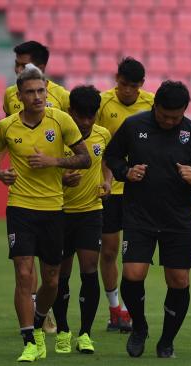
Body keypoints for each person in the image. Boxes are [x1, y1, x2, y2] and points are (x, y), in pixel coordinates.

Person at [0, 64, 91, 362]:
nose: (38, 96)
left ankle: (40, 318)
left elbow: (85, 159)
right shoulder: (7, 127)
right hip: (20, 208)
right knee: (24, 273)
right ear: (20, 96)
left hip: (54, 209)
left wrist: (54, 161)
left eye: (41, 90)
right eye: (30, 92)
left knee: (52, 280)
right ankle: (29, 338)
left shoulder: (62, 120)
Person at [104, 80, 191, 358]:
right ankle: (140, 328)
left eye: (176, 117)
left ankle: (167, 340)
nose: (170, 121)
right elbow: (112, 156)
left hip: (176, 220)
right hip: (138, 216)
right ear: (155, 105)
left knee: (179, 281)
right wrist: (125, 172)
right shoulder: (134, 126)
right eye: (164, 115)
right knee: (133, 275)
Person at [0, 40, 71, 333]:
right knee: (25, 265)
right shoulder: (11, 95)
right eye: (16, 65)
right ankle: (37, 317)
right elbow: (7, 129)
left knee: (54, 269)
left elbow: (73, 136)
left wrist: (63, 167)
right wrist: (0, 164)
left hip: (58, 186)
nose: (17, 69)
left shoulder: (62, 97)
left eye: (22, 64)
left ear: (40, 67)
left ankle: (44, 309)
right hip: (24, 192)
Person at [95, 57, 155, 332]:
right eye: (122, 84)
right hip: (107, 188)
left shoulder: (152, 104)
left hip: (139, 190)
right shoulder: (103, 103)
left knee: (135, 254)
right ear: (115, 79)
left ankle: (130, 310)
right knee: (108, 251)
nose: (126, 90)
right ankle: (114, 308)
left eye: (132, 86)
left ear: (141, 85)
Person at [51, 85, 111, 355]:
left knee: (89, 271)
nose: (86, 123)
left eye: (91, 116)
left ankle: (85, 334)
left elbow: (107, 162)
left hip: (90, 212)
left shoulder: (102, 134)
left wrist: (107, 182)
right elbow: (37, 173)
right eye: (81, 116)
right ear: (70, 112)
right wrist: (60, 178)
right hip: (59, 212)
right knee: (59, 276)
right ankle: (63, 330)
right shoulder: (56, 137)